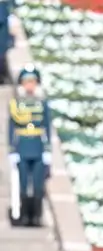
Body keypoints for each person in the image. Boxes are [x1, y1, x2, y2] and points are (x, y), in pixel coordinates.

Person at [8, 64, 51, 227]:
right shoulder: (17, 104)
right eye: (27, 82)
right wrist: (12, 149)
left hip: (38, 147)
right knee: (24, 183)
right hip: (23, 148)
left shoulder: (42, 103)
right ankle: (25, 215)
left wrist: (48, 150)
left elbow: (46, 126)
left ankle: (36, 216)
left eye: (32, 82)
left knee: (38, 185)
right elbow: (11, 127)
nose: (29, 85)